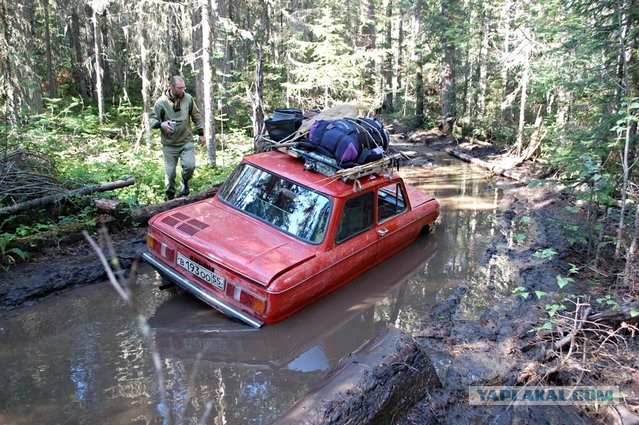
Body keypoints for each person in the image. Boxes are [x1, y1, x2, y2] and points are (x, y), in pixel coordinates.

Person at [149, 75, 206, 200]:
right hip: (170, 145)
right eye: (179, 88)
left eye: (183, 87)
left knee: (190, 166)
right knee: (170, 174)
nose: (182, 90)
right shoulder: (161, 103)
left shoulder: (188, 98)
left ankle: (184, 183)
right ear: (171, 87)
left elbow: (196, 116)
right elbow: (151, 120)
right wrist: (161, 124)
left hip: (186, 141)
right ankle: (170, 197)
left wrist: (201, 133)